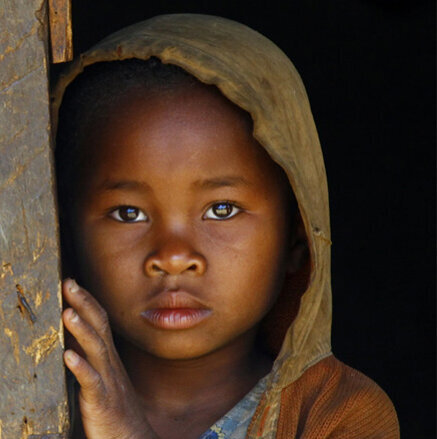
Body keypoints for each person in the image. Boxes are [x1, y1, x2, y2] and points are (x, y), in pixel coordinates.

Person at [52, 14, 399, 439]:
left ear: (297, 237)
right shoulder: (22, 396)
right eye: (128, 213)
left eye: (221, 209)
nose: (174, 257)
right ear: (64, 234)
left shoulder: (336, 413)